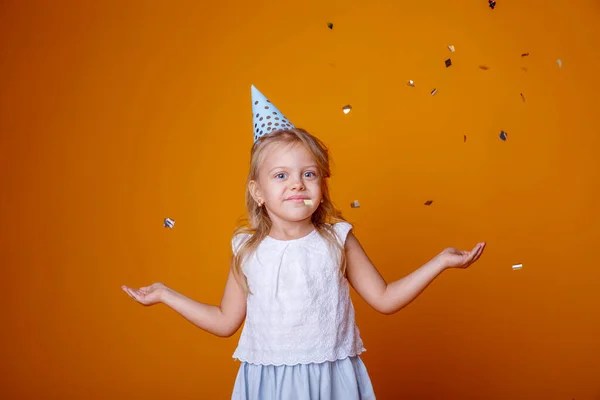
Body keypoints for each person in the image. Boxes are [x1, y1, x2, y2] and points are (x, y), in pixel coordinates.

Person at [121, 85, 487, 399]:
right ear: (258, 191)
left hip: (332, 383)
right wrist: (166, 295)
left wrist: (440, 261)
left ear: (321, 186)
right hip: (269, 385)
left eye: (308, 174)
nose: (297, 183)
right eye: (281, 175)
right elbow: (224, 321)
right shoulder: (246, 250)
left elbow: (385, 298)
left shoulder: (337, 240)